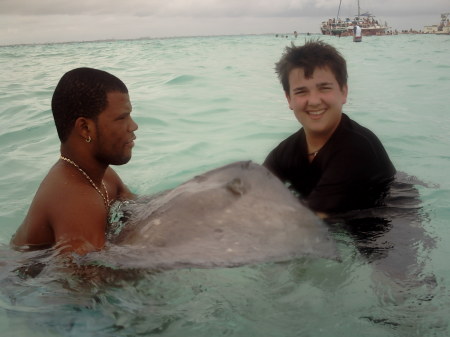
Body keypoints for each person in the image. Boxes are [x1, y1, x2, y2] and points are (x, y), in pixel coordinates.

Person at [11, 67, 138, 255]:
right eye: (121, 118)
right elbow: (88, 281)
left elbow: (142, 209)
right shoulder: (76, 200)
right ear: (85, 128)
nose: (133, 126)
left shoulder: (104, 176)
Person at [264, 40, 396, 215]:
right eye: (301, 92)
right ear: (289, 99)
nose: (314, 101)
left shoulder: (356, 148)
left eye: (324, 88)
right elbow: (253, 188)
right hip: (340, 223)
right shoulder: (288, 150)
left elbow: (309, 223)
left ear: (344, 92)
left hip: (389, 229)